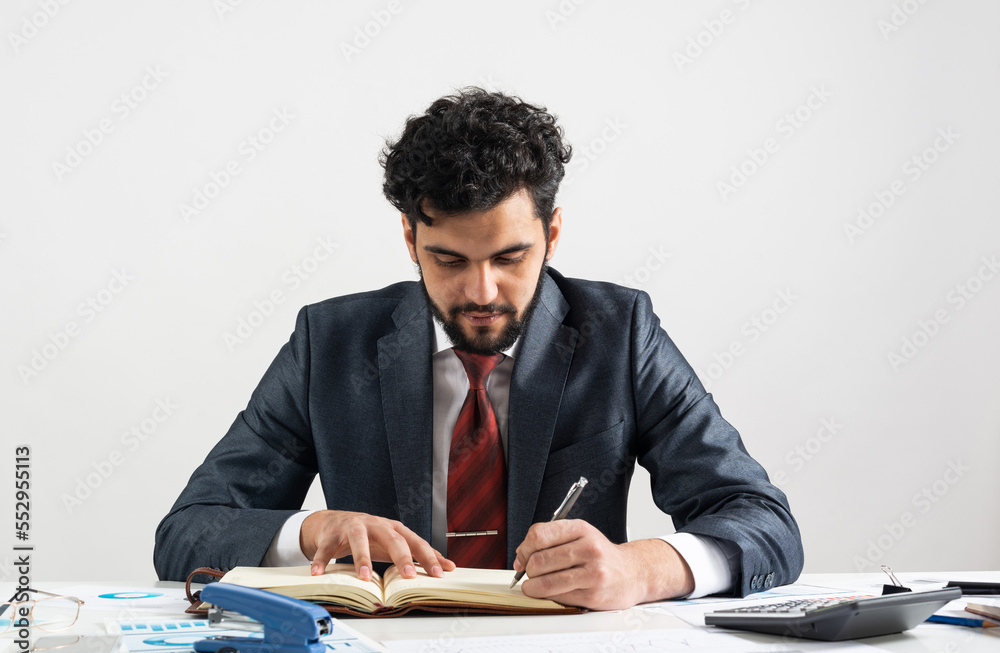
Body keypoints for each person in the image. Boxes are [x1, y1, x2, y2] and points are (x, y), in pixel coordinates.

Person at [154, 88, 803, 610]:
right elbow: (187, 531)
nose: (481, 290)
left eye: (510, 256)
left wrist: (642, 567)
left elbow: (763, 520)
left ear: (551, 232)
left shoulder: (621, 330)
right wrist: (308, 531)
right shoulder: (330, 341)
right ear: (410, 240)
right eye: (448, 259)